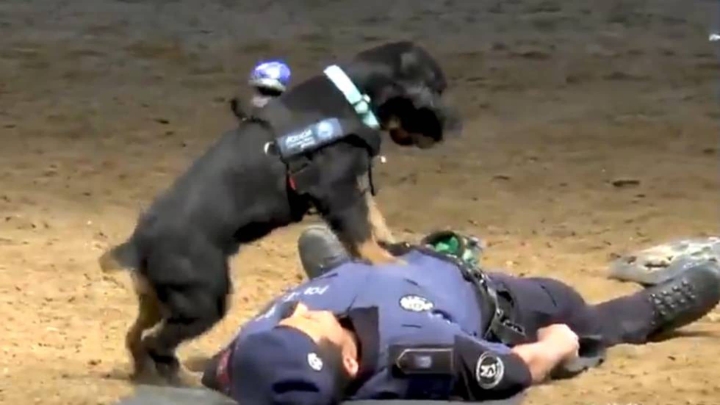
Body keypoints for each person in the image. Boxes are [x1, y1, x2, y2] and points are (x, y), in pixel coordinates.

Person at [201, 226, 720, 404]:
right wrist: (559, 345)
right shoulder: (421, 355)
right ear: (351, 363)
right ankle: (645, 313)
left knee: (358, 269)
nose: (301, 312)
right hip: (489, 303)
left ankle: (343, 270)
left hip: (385, 271)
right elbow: (514, 369)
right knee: (571, 310)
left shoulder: (254, 356)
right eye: (305, 327)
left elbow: (217, 371)